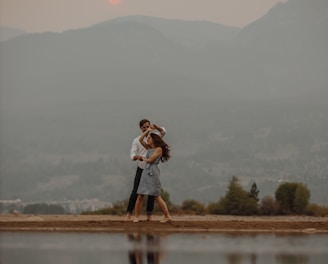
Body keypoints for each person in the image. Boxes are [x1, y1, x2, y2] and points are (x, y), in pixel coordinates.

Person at [125, 119, 166, 221]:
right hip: (142, 167)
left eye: (148, 126)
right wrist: (137, 157)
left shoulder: (154, 138)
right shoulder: (138, 140)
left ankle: (149, 214)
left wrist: (156, 127)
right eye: (144, 127)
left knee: (152, 193)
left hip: (151, 168)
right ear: (140, 128)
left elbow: (163, 131)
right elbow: (132, 154)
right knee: (136, 191)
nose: (146, 128)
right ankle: (129, 213)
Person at [133, 128, 172, 223]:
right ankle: (136, 217)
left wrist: (142, 158)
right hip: (146, 172)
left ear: (154, 139)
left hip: (153, 172)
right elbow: (140, 140)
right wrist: (147, 131)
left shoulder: (159, 149)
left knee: (156, 195)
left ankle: (167, 216)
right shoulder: (149, 148)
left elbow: (151, 160)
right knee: (140, 194)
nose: (148, 139)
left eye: (149, 138)